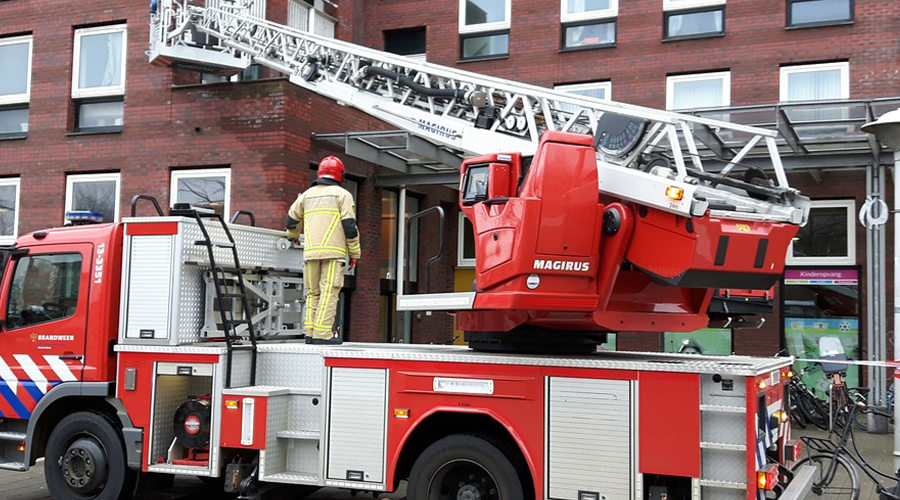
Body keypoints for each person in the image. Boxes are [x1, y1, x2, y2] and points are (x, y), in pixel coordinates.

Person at [286, 156, 360, 344]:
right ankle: (323, 334)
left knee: (313, 293)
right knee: (329, 292)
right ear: (340, 175)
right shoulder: (342, 195)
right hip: (333, 253)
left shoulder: (305, 196)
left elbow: (291, 220)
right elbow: (350, 226)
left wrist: (293, 235)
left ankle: (310, 333)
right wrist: (354, 253)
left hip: (310, 253)